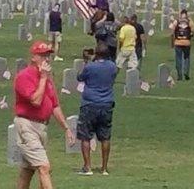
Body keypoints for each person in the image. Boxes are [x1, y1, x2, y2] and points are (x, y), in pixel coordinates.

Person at [14, 41, 74, 189]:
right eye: (43, 55)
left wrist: (66, 128)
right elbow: (36, 101)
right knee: (44, 167)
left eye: (48, 55)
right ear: (34, 57)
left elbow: (54, 105)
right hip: (27, 124)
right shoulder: (24, 76)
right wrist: (42, 78)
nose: (47, 59)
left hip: (41, 126)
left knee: (27, 171)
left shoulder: (47, 78)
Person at [76, 43, 117, 176]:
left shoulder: (90, 67)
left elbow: (80, 77)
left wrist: (88, 61)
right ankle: (104, 168)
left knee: (85, 136)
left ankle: (88, 167)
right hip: (106, 103)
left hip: (90, 103)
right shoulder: (112, 67)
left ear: (96, 53)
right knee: (105, 137)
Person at [170, 10, 194, 81]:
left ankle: (179, 75)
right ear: (186, 15)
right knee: (187, 58)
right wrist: (189, 37)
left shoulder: (176, 21)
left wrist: (172, 43)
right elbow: (193, 32)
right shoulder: (190, 22)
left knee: (178, 59)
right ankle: (186, 72)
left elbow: (172, 32)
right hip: (187, 43)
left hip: (177, 43)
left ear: (180, 14)